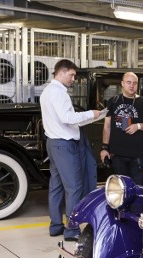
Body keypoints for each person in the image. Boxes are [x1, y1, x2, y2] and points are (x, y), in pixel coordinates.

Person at [40, 59, 101, 241]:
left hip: (53, 143)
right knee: (74, 188)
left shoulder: (47, 92)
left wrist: (90, 117)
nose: (74, 79)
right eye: (72, 75)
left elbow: (66, 119)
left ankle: (56, 226)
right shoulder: (59, 93)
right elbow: (67, 117)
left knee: (56, 187)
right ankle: (72, 230)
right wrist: (92, 113)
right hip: (65, 146)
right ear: (61, 72)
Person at [100, 72, 143, 185]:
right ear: (122, 84)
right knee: (121, 188)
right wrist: (104, 148)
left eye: (135, 83)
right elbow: (107, 126)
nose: (132, 86)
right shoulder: (113, 101)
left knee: (138, 187)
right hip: (117, 155)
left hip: (137, 155)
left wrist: (138, 126)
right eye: (129, 82)